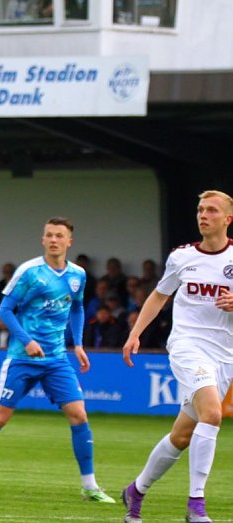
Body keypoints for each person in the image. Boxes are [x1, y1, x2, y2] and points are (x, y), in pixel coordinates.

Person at [0, 217, 115, 503]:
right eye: (49, 235)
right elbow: (4, 310)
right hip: (22, 357)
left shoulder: (77, 275)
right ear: (42, 240)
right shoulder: (29, 272)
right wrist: (27, 340)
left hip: (56, 358)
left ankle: (89, 486)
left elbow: (78, 308)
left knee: (79, 415)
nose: (54, 239)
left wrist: (78, 344)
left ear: (70, 242)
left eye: (59, 235)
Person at [121, 190, 233, 523]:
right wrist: (135, 333)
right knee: (212, 414)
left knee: (183, 435)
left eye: (212, 210)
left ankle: (136, 491)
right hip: (187, 346)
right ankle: (196, 505)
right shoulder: (182, 257)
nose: (203, 215)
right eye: (200, 209)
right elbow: (159, 295)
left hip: (225, 355)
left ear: (227, 219)